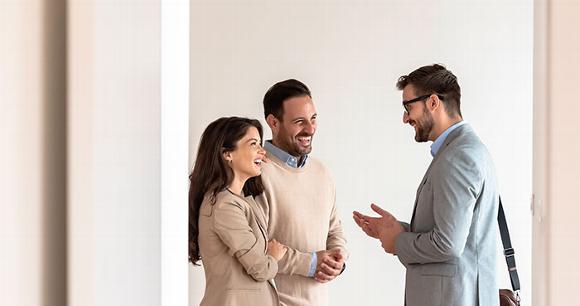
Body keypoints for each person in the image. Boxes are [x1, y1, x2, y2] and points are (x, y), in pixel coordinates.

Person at [353, 64, 499, 306]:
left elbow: (448, 244)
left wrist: (398, 243)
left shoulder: (458, 157)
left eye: (408, 106)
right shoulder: (464, 150)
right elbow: (458, 232)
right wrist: (395, 229)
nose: (405, 118)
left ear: (433, 102)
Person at [255, 79, 348, 306]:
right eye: (299, 121)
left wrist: (339, 259)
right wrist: (312, 263)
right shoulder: (256, 173)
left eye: (313, 119)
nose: (310, 129)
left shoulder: (321, 172)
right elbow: (253, 247)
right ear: (273, 122)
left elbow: (334, 229)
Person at [189, 117, 287, 306]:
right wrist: (272, 256)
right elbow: (261, 268)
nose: (262, 151)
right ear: (227, 154)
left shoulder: (237, 200)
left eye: (260, 143)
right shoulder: (225, 206)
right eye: (253, 144)